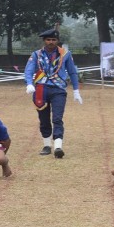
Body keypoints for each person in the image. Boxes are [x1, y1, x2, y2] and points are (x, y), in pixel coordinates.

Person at [24, 28, 82, 158]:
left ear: (57, 41)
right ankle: (46, 145)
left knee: (57, 118)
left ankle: (58, 146)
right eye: (48, 39)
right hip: (40, 89)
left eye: (54, 39)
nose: (51, 42)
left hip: (58, 90)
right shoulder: (36, 55)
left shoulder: (65, 54)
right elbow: (28, 70)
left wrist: (76, 90)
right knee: (44, 119)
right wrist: (28, 83)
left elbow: (72, 72)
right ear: (44, 41)